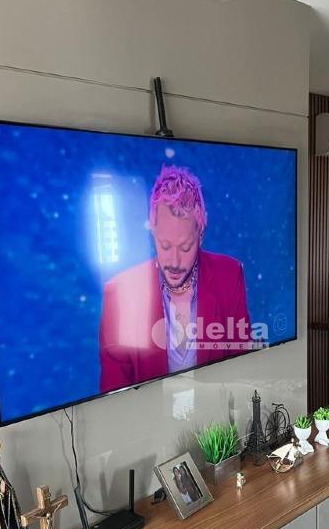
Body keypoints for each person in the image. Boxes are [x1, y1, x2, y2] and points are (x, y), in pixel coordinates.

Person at [99, 166, 251, 392]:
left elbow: (242, 370)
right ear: (153, 231)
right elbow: (113, 396)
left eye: (185, 247)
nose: (174, 261)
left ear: (201, 235)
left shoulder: (229, 275)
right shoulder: (119, 294)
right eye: (165, 245)